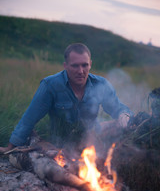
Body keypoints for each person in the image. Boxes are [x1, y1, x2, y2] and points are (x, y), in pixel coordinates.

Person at [0, 43, 132, 153]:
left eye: (84, 65)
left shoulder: (101, 84)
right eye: (75, 65)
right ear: (65, 66)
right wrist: (11, 146)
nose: (80, 71)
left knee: (117, 127)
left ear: (90, 64)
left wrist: (124, 115)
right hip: (59, 145)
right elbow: (29, 118)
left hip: (91, 143)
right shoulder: (50, 85)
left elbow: (118, 108)